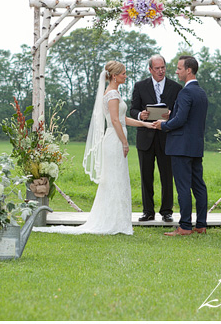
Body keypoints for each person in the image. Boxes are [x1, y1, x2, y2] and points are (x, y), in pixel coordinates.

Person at [35, 61, 155, 235]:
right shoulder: (112, 94)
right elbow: (114, 121)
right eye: (123, 73)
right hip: (114, 140)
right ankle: (111, 221)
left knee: (118, 179)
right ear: (114, 76)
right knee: (114, 180)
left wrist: (145, 124)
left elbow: (123, 119)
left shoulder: (114, 93)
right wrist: (124, 142)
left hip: (116, 137)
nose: (125, 76)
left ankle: (118, 220)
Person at [153, 56, 209, 236]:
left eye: (179, 68)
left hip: (181, 147)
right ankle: (201, 224)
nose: (176, 71)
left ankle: (185, 226)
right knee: (199, 186)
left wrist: (163, 125)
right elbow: (189, 118)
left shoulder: (185, 93)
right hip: (195, 146)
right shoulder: (201, 92)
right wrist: (173, 114)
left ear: (189, 70)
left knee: (183, 186)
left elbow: (181, 120)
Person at [130, 54, 182, 222]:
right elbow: (132, 110)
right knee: (146, 176)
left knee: (167, 175)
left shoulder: (176, 87)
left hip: (167, 138)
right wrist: (140, 115)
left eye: (163, 68)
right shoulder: (140, 86)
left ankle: (167, 211)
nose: (161, 71)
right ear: (150, 69)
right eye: (157, 68)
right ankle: (148, 211)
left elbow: (180, 112)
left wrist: (171, 115)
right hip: (145, 137)